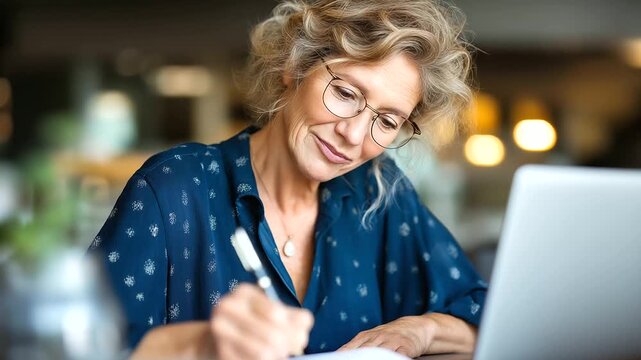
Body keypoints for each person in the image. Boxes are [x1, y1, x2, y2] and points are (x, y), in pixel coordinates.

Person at [89, 0, 488, 358]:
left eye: (385, 121)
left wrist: (423, 330)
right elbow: (81, 340)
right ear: (294, 67)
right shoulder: (175, 187)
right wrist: (201, 346)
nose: (353, 135)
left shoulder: (377, 192)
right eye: (346, 94)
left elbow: (487, 316)